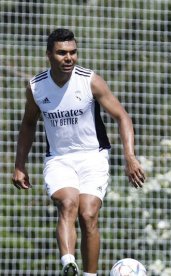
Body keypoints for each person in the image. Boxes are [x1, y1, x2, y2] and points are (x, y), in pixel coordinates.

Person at [12, 28, 145, 276]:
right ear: (49, 55)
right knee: (68, 203)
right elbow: (28, 123)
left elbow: (122, 116)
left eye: (73, 52)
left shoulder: (89, 80)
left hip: (93, 156)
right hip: (59, 159)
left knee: (88, 214)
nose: (69, 58)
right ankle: (68, 263)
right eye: (62, 53)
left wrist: (130, 156)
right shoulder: (36, 87)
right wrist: (20, 164)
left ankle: (89, 274)